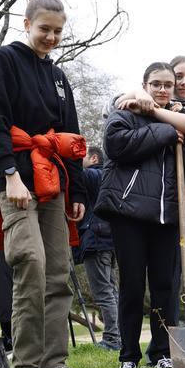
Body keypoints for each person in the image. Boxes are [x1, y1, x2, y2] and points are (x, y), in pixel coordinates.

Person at [0, 0, 88, 368]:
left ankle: (54, 361)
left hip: (52, 180)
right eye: (45, 29)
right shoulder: (3, 60)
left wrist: (78, 192)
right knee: (30, 261)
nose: (52, 38)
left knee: (58, 268)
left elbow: (72, 136)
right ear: (27, 24)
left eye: (59, 31)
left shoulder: (58, 77)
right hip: (17, 177)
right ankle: (25, 365)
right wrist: (9, 173)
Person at [95, 62, 185, 368]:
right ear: (144, 85)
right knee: (130, 284)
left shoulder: (177, 120)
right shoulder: (125, 112)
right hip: (128, 213)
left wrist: (183, 136)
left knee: (164, 287)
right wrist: (166, 131)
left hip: (164, 215)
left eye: (168, 85)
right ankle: (128, 356)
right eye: (156, 84)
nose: (163, 90)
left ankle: (162, 353)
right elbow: (116, 145)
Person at [111, 56, 185, 339]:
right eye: (177, 77)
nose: (183, 82)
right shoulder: (148, 102)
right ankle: (169, 346)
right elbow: (115, 108)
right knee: (168, 283)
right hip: (166, 209)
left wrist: (155, 109)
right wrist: (138, 95)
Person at [73, 146, 121, 351]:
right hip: (111, 240)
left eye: (82, 157)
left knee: (103, 292)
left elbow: (76, 175)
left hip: (97, 240)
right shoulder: (112, 176)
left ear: (94, 158)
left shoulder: (94, 174)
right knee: (111, 290)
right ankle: (119, 335)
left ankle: (112, 339)